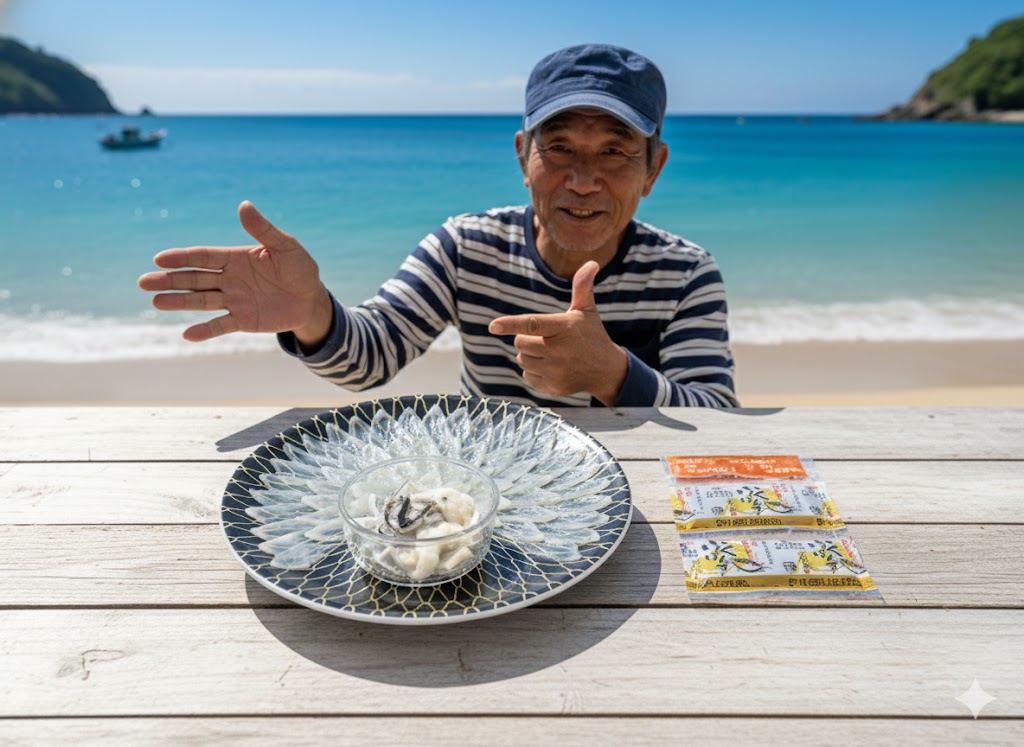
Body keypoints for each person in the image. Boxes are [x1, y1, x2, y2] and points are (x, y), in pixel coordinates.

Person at [138, 44, 738, 408]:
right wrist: (314, 313)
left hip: (637, 499)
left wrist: (612, 374)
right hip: (492, 493)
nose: (583, 180)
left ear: (653, 168)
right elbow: (371, 359)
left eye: (614, 152)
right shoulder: (465, 247)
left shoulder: (686, 273)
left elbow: (718, 420)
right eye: (558, 148)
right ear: (522, 157)